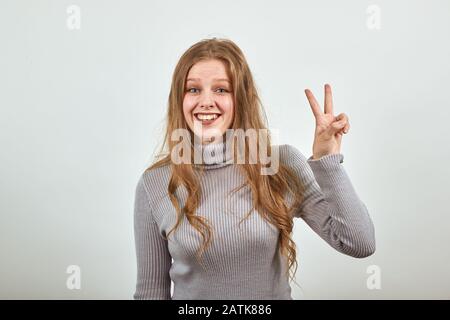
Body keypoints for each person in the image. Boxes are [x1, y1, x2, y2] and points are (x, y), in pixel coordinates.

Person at [133, 37, 376, 300]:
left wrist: (328, 161)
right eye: (193, 89)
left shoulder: (279, 164)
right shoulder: (156, 182)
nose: (205, 101)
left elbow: (359, 242)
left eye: (221, 90)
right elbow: (151, 293)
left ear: (241, 98)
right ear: (179, 99)